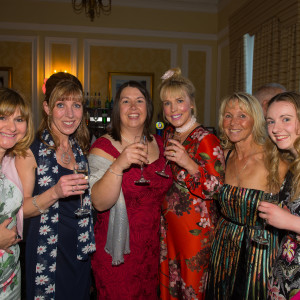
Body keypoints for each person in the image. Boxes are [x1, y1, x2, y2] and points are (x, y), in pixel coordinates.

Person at [89, 80, 172, 299]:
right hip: (118, 249)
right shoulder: (103, 147)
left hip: (153, 248)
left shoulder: (161, 144)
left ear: (149, 108)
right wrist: (118, 164)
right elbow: (99, 203)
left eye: (139, 101)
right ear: (117, 109)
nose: (133, 107)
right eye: (126, 101)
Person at [15, 75, 95, 299]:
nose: (70, 114)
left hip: (79, 252)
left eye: (76, 105)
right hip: (48, 254)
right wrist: (54, 193)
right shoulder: (29, 150)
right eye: (61, 105)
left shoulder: (78, 148)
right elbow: (20, 210)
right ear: (47, 108)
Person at [205, 92, 288, 300]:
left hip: (259, 253)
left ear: (255, 120)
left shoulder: (274, 158)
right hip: (224, 246)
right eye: (227, 115)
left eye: (242, 115)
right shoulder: (224, 155)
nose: (233, 122)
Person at [158, 68, 224, 300]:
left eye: (179, 101)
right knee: (173, 286)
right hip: (170, 227)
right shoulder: (170, 134)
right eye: (167, 103)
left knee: (192, 288)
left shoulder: (206, 138)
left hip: (195, 229)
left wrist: (189, 163)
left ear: (192, 104)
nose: (173, 109)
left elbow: (216, 188)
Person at [258, 91, 300, 299]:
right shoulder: (291, 164)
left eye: (286, 119)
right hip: (284, 272)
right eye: (271, 121)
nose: (276, 129)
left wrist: (290, 222)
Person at [0, 88, 34, 299]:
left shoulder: (10, 162)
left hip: (10, 275)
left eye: (19, 119)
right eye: (2, 117)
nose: (12, 127)